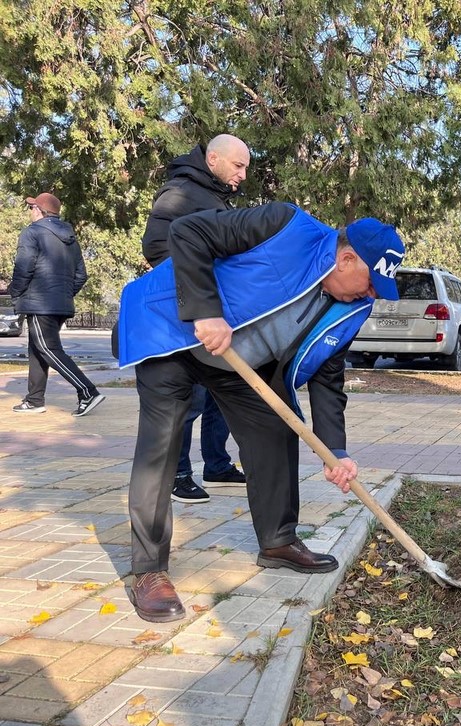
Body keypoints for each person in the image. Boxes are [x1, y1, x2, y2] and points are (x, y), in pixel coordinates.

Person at [117, 202, 404, 622]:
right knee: (162, 446)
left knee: (275, 428)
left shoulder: (352, 306)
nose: (372, 294)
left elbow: (328, 379)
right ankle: (148, 571)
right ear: (345, 258)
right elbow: (188, 231)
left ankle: (278, 541)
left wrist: (336, 452)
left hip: (237, 360)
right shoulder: (284, 227)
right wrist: (205, 311)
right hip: (172, 332)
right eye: (371, 281)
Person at [142, 134, 252, 504]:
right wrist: (197, 294)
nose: (243, 175)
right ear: (214, 159)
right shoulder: (180, 192)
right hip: (190, 313)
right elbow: (156, 248)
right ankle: (178, 475)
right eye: (238, 166)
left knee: (220, 391)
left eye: (246, 168)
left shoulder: (213, 194)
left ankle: (217, 464)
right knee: (189, 398)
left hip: (216, 310)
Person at [9, 192, 105, 417]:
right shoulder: (70, 238)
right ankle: (34, 400)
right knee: (37, 349)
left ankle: (87, 391)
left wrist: (15, 293)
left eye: (32, 208)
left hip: (39, 303)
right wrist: (63, 294)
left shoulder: (32, 233)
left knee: (47, 348)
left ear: (39, 212)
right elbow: (81, 275)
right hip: (59, 303)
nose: (30, 211)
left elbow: (24, 268)